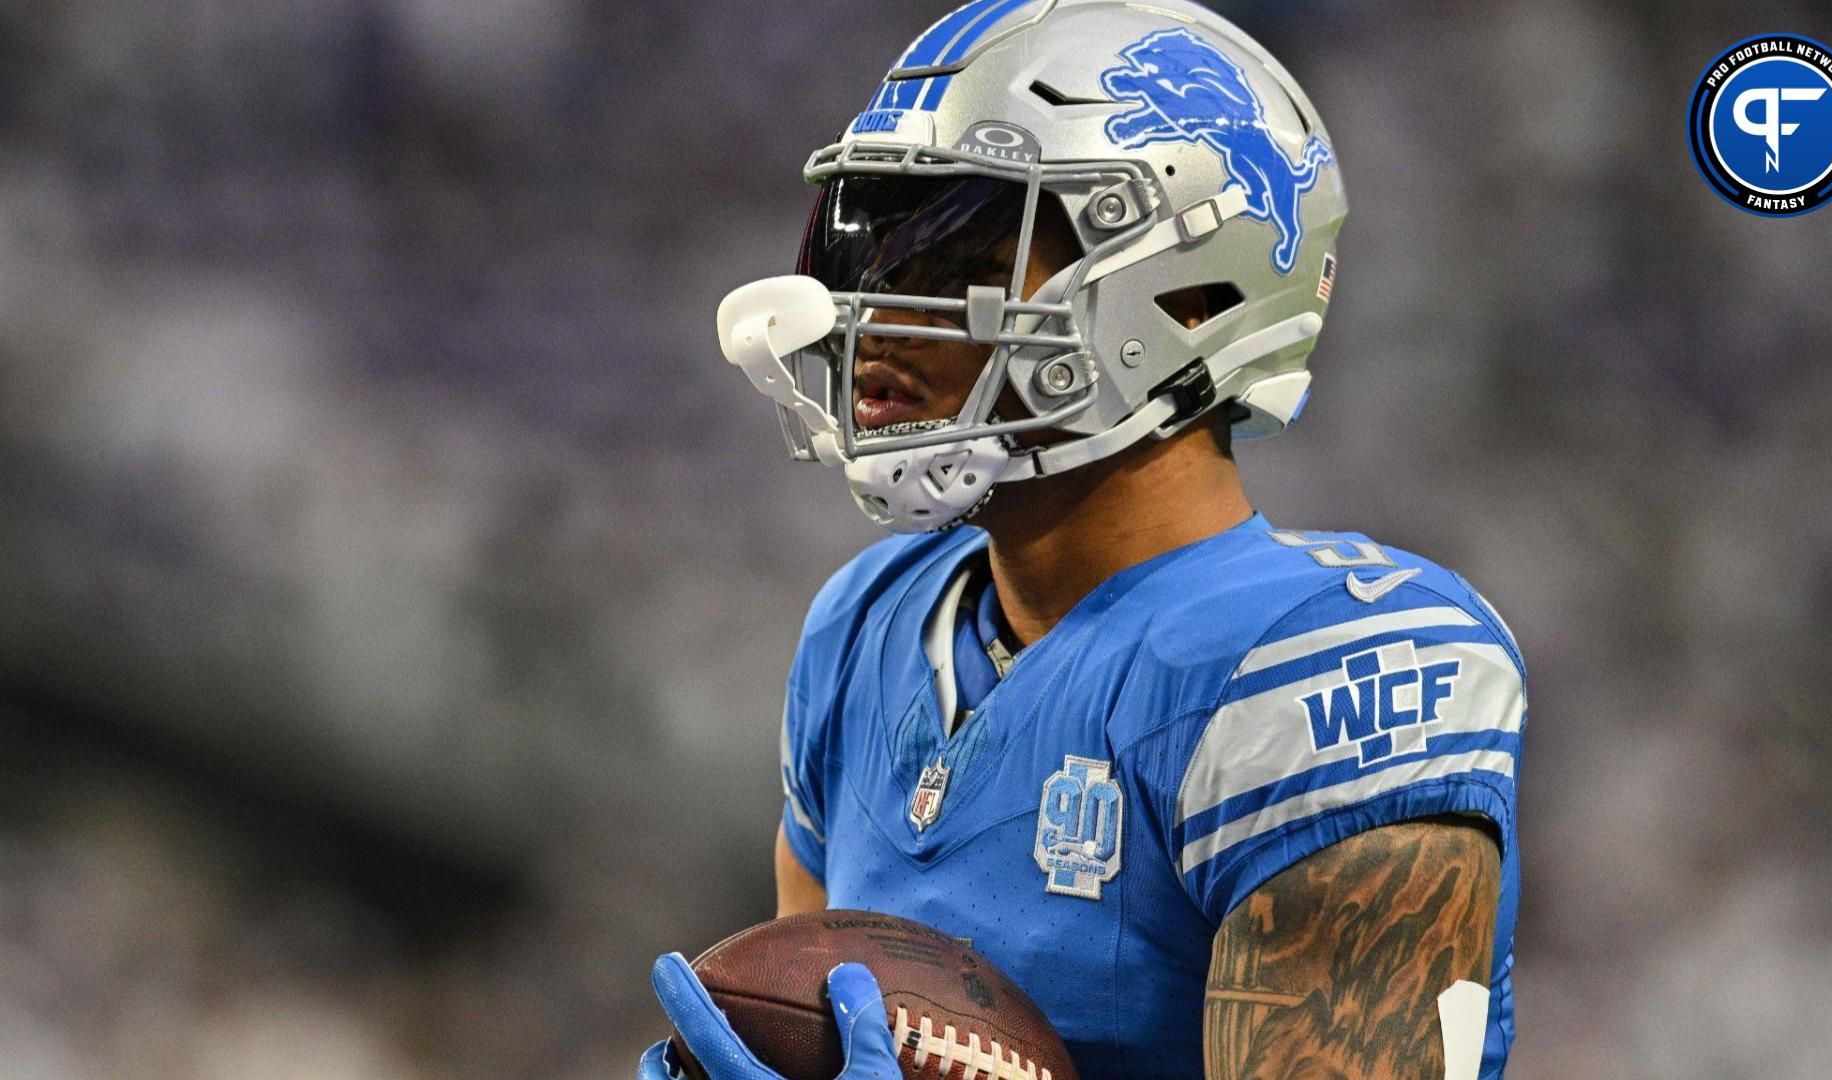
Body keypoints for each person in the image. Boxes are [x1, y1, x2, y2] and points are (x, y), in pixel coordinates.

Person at [644, 1, 1528, 1077]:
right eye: (869, 248)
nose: (872, 307)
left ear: (1189, 294)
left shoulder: (1323, 671)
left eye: (958, 246)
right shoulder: (866, 625)